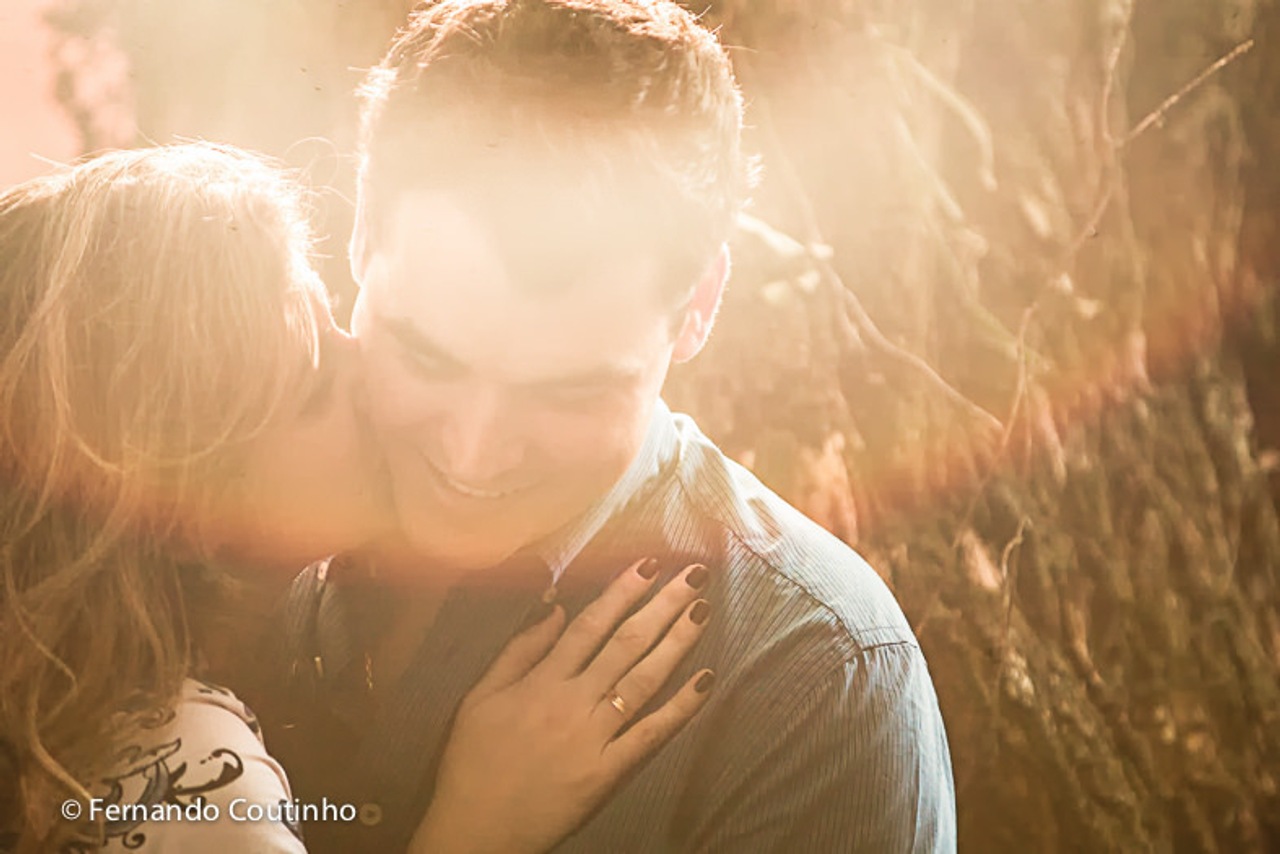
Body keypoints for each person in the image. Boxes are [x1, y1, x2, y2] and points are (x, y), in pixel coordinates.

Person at [267, 0, 957, 851]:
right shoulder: (227, 520)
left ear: (698, 305)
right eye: (428, 359)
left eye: (567, 395)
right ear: (362, 234)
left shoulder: (815, 679)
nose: (471, 453)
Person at [0, 143, 717, 854]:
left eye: (335, 318)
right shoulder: (194, 779)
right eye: (314, 389)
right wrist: (474, 828)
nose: (365, 363)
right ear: (180, 508)